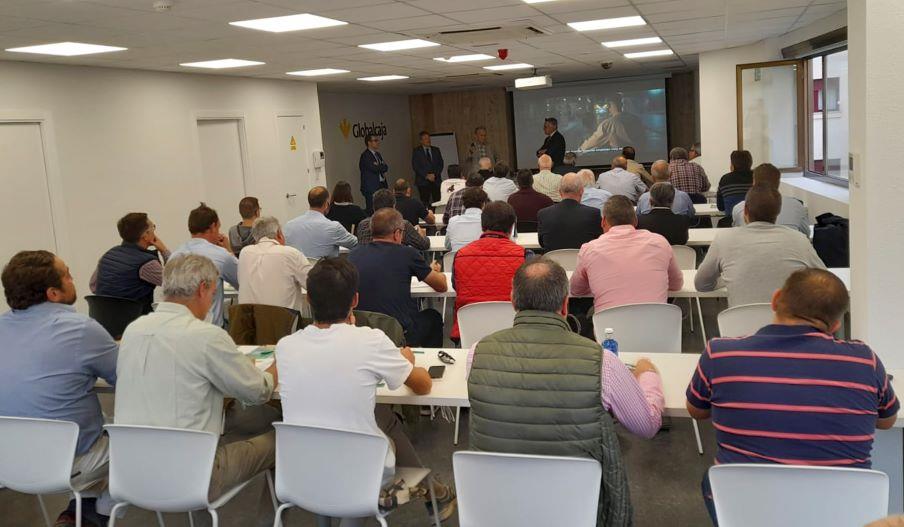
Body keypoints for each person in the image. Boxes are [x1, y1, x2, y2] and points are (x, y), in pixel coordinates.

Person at [687, 268, 898, 525]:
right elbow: (886, 420)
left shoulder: (720, 353)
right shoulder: (865, 360)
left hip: (746, 507)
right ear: (835, 324)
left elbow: (696, 410)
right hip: (842, 511)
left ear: (776, 300)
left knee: (711, 480)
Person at [468, 258, 665, 527]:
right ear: (565, 305)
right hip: (577, 508)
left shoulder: (477, 354)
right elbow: (647, 426)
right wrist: (648, 375)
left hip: (496, 506)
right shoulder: (602, 362)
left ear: (513, 302)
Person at [276, 258, 456, 522]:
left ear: (309, 300)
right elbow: (423, 385)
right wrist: (406, 360)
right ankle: (429, 490)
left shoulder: (285, 346)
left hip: (299, 476)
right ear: (355, 300)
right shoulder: (370, 341)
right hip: (365, 482)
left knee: (379, 415)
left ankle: (431, 490)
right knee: (382, 423)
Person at [114, 254, 278, 504]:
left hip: (130, 474)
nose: (211, 301)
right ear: (202, 289)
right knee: (281, 438)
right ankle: (271, 520)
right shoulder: (207, 336)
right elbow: (258, 392)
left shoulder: (133, 330)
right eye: (213, 294)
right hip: (194, 476)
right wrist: (277, 366)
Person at [0, 251, 118, 527]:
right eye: (67, 274)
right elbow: (125, 377)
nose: (73, 278)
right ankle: (96, 514)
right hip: (67, 463)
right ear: (53, 293)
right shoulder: (81, 330)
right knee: (138, 441)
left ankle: (78, 512)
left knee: (92, 429)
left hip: (9, 462)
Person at [696, 184, 826, 307]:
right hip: (787, 320)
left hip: (740, 322)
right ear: (778, 212)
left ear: (745, 211)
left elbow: (701, 284)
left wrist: (725, 280)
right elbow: (825, 281)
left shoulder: (724, 239)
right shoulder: (799, 239)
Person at [348, 208, 447, 347]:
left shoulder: (353, 255)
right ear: (397, 233)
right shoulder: (408, 254)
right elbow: (441, 286)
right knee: (433, 317)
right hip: (399, 333)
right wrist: (437, 272)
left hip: (363, 330)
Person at [571, 196, 683, 313]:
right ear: (636, 220)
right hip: (657, 322)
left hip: (609, 323)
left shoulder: (589, 249)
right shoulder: (660, 242)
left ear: (603, 221)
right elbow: (676, 284)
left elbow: (576, 290)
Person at [450, 201, 529, 340]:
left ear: (482, 226)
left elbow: (456, 286)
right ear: (512, 227)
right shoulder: (525, 256)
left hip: (469, 333)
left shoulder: (460, 255)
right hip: (513, 333)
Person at [171, 203, 239, 327]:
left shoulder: (174, 256)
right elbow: (242, 281)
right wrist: (229, 250)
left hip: (180, 326)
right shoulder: (221, 255)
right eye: (218, 228)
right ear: (213, 227)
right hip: (211, 327)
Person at [91, 212, 169, 314]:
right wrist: (164, 251)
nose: (154, 232)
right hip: (135, 320)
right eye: (153, 228)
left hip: (102, 319)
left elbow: (93, 286)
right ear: (145, 235)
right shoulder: (147, 263)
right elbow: (178, 284)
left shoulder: (109, 254)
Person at [237, 216, 311, 311]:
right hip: (282, 319)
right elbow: (314, 284)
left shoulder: (245, 253)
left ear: (255, 237)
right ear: (279, 233)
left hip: (248, 319)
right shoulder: (291, 254)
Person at [732, 163, 810, 235]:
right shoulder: (796, 206)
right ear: (778, 183)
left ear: (754, 182)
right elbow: (806, 234)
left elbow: (738, 234)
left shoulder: (739, 208)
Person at [285, 186, 358, 259]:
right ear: (326, 204)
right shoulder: (333, 227)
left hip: (297, 266)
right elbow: (357, 244)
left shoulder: (289, 226)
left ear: (309, 202)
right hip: (324, 266)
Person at [537, 172, 603, 251]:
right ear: (581, 191)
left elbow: (542, 243)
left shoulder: (544, 214)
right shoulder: (593, 214)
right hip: (583, 258)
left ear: (560, 192)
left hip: (554, 258)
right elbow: (599, 241)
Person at [356, 189, 430, 251]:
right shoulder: (402, 225)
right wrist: (423, 235)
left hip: (366, 263)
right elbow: (424, 245)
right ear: (394, 206)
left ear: (373, 207)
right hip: (395, 262)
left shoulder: (363, 225)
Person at [445, 187, 488, 252]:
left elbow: (448, 246)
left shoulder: (453, 221)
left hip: (456, 257)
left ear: (463, 204)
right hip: (480, 257)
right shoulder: (488, 222)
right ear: (484, 204)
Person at [411, 130, 444, 208]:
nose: (428, 140)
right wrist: (426, 175)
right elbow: (416, 166)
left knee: (437, 202)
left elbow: (440, 164)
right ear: (421, 141)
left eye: (429, 138)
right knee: (425, 203)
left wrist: (434, 175)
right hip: (423, 181)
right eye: (425, 139)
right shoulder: (416, 151)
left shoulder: (436, 150)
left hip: (436, 180)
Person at [716, 150, 754, 214]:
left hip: (731, 219)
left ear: (733, 165)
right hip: (753, 219)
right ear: (750, 163)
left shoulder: (725, 179)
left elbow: (721, 207)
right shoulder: (757, 177)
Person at [359, 134, 389, 213]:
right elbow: (374, 168)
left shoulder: (378, 154)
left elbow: (386, 167)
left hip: (381, 185)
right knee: (372, 210)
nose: (378, 142)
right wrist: (380, 166)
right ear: (369, 143)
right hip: (371, 188)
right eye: (375, 141)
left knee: (383, 209)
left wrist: (378, 165)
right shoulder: (365, 156)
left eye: (377, 140)